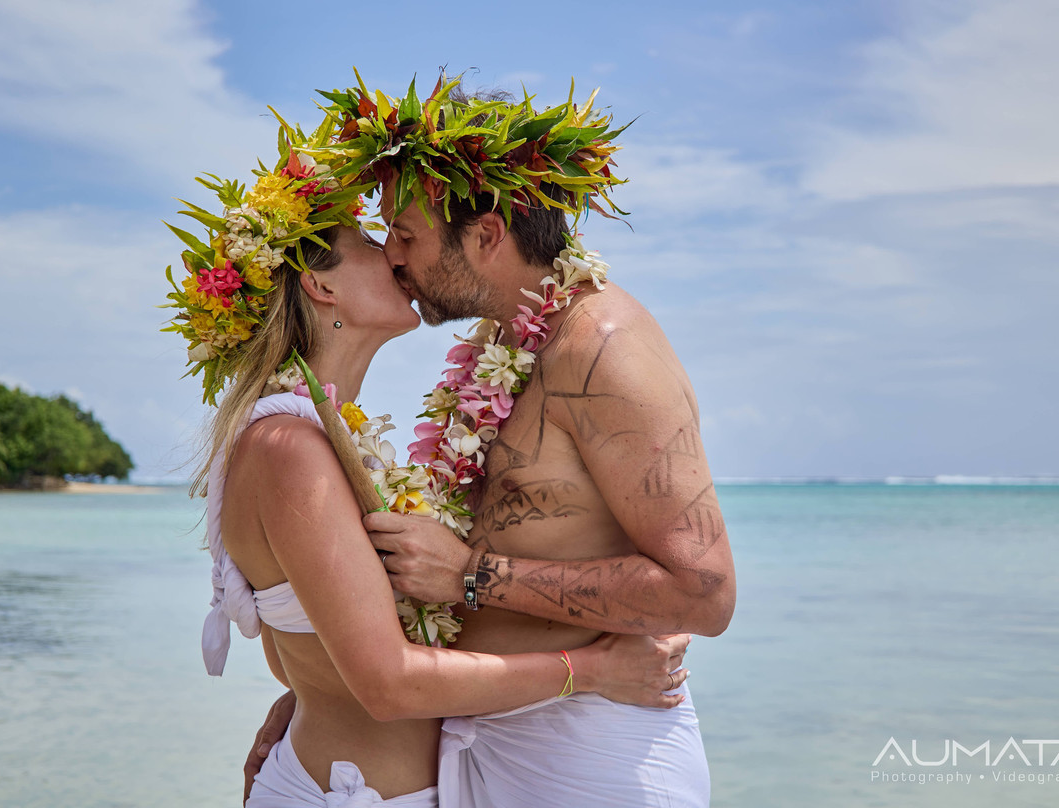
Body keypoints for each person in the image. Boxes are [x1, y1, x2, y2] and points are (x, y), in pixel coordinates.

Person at [163, 104, 692, 808]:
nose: (391, 251)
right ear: (321, 288)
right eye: (367, 241)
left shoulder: (320, 437)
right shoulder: (288, 446)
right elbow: (385, 684)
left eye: (397, 233)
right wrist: (589, 669)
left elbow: (306, 655)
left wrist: (316, 695)